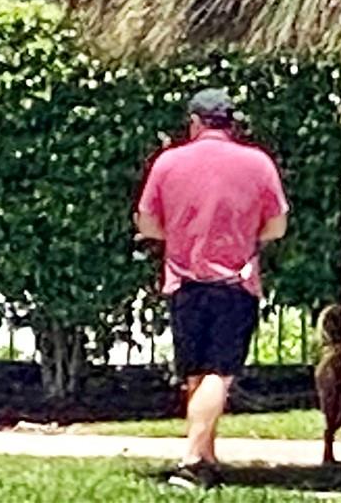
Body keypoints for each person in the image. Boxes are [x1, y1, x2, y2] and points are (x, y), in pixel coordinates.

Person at [135, 88, 288, 490]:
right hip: (236, 280)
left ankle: (201, 458)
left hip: (184, 279)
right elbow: (277, 226)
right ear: (231, 123)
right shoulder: (258, 163)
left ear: (194, 122)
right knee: (219, 373)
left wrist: (178, 236)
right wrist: (245, 236)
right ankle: (195, 458)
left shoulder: (168, 162)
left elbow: (147, 222)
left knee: (195, 374)